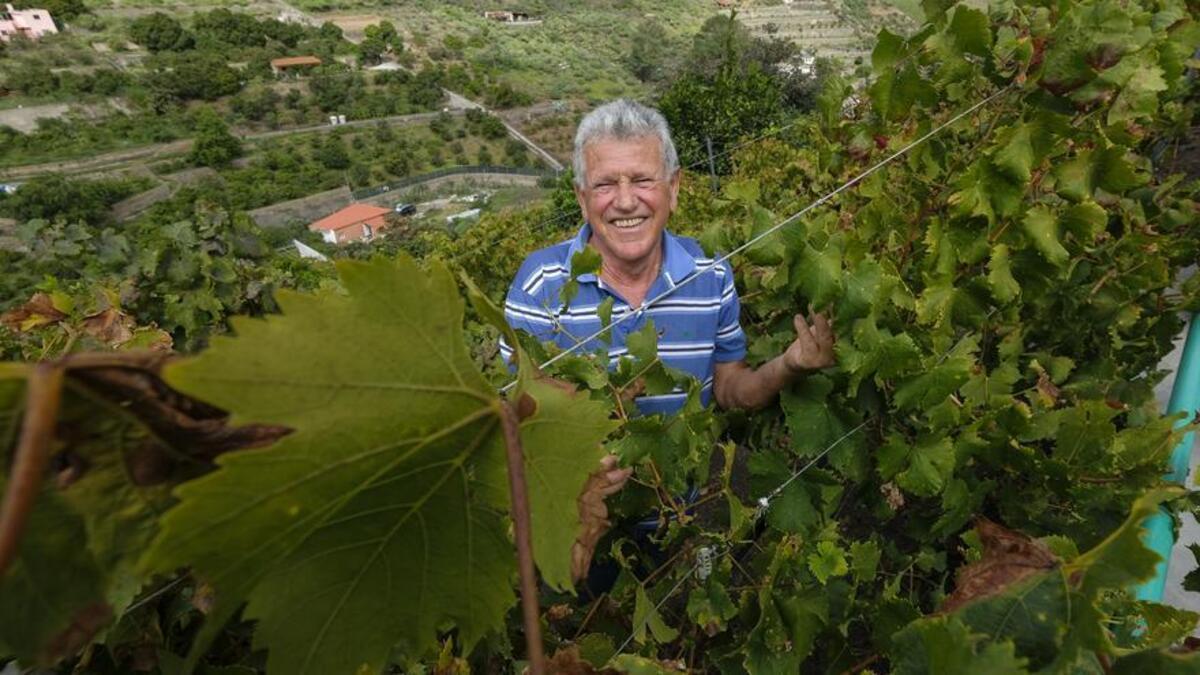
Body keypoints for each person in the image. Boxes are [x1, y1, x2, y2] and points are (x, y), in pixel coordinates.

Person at [502, 99, 835, 582]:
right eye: (604, 184)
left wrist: (789, 366)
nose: (624, 200)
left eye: (641, 180)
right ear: (581, 198)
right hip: (585, 531)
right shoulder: (540, 286)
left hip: (684, 520)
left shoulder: (710, 276)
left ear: (673, 189)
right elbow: (516, 419)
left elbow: (729, 389)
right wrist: (575, 467)